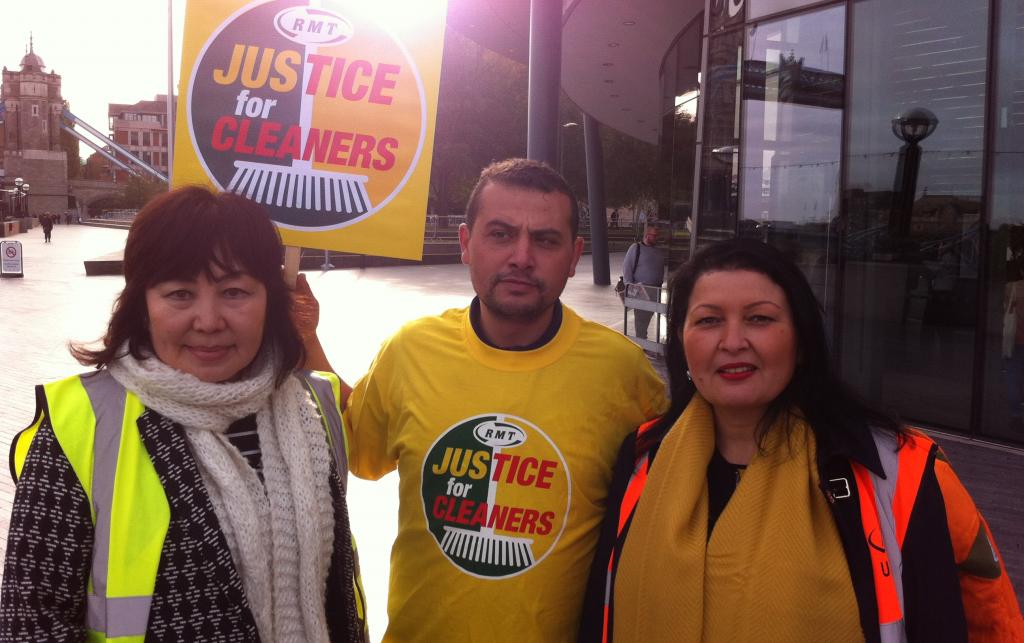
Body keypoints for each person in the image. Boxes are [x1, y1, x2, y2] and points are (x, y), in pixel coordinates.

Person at [580, 239, 1024, 642]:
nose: (733, 342)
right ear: (681, 342)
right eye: (709, 320)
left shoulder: (895, 471)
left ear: (802, 339)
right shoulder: (641, 461)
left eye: (759, 318)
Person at [300, 158, 666, 641]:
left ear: (574, 255)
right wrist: (304, 336)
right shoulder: (411, 351)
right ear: (466, 244)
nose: (521, 256)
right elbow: (357, 450)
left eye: (545, 239)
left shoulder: (623, 373)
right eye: (500, 234)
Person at [0, 187, 367, 642]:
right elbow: (31, 625)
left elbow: (338, 596)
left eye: (234, 291)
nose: (209, 320)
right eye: (179, 294)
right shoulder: (80, 425)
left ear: (271, 299)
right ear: (142, 303)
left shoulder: (316, 405)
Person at [621, 224, 666, 341]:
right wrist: (630, 286)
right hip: (640, 290)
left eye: (657, 236)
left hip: (655, 290)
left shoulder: (658, 251)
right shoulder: (636, 248)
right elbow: (627, 268)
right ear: (647, 235)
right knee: (641, 318)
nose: (656, 238)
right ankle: (641, 343)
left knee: (647, 318)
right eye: (654, 236)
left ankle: (642, 341)